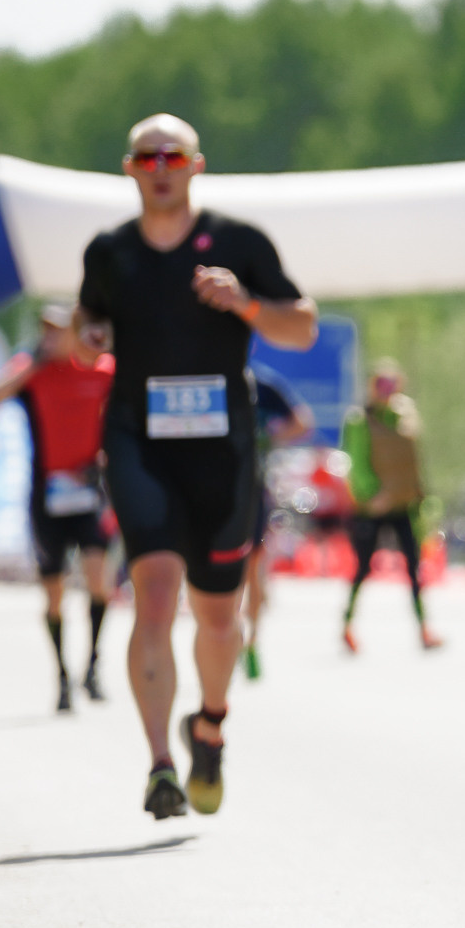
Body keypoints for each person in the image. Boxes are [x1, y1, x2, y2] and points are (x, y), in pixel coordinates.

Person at [77, 113, 318, 819]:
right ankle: (160, 766)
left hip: (223, 449)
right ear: (129, 169)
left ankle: (209, 725)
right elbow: (87, 332)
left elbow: (302, 327)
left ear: (196, 165)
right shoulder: (109, 252)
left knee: (218, 614)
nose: (161, 168)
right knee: (153, 594)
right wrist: (90, 337)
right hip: (139, 439)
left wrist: (244, 303)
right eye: (147, 157)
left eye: (173, 156)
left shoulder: (239, 242)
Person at [0, 303, 114, 712]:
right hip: (46, 495)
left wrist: (105, 460)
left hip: (89, 494)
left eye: (59, 329)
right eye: (46, 330)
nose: (51, 336)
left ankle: (92, 665)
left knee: (98, 578)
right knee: (54, 594)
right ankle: (61, 676)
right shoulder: (32, 370)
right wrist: (34, 362)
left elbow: (126, 419)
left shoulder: (103, 369)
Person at [340, 359, 440, 653]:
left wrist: (422, 498)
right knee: (362, 568)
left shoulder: (405, 416)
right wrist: (373, 495)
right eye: (381, 384)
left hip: (404, 505)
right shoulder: (359, 420)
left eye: (392, 384)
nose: (387, 390)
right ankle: (346, 625)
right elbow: (356, 464)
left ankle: (424, 628)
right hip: (373, 508)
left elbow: (414, 462)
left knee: (414, 569)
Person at [241, 363, 312, 679]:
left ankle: (252, 641)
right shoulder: (205, 377)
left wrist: (267, 436)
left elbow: (302, 422)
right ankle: (226, 637)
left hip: (253, 488)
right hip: (209, 488)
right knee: (220, 570)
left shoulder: (261, 385)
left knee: (253, 565)